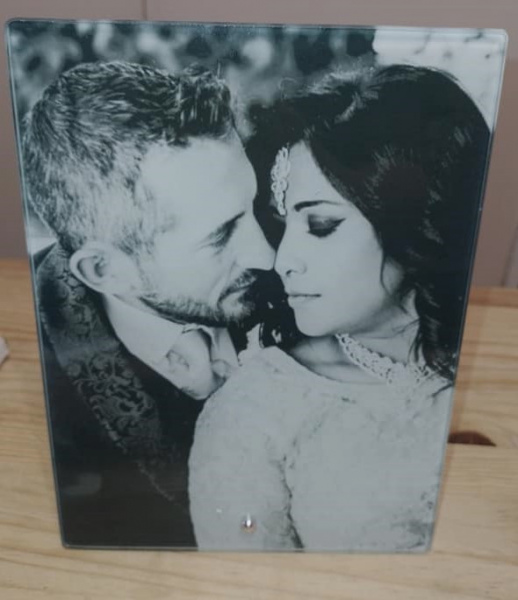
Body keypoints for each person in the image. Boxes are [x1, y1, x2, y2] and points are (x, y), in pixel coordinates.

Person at [188, 64, 492, 552]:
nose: (283, 261)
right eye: (283, 227)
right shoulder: (256, 411)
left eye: (321, 226)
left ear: (415, 218)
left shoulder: (494, 356)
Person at [21, 61, 274, 547]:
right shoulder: (39, 393)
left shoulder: (311, 247)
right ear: (104, 271)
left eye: (254, 207)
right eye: (221, 236)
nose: (267, 254)